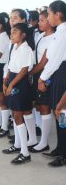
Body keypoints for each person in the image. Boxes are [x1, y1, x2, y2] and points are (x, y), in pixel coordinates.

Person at [38, 0, 66, 167]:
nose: (48, 18)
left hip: (62, 72)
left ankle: (64, 154)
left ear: (58, 14)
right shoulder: (60, 31)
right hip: (58, 73)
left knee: (62, 112)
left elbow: (54, 59)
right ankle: (60, 148)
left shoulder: (63, 32)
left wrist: (42, 78)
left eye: (49, 14)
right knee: (59, 111)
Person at [2, 23, 34, 165]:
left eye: (15, 32)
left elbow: (23, 71)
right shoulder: (15, 47)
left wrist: (12, 85)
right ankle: (18, 144)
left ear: (23, 35)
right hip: (13, 79)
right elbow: (11, 66)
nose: (12, 34)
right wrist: (6, 81)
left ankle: (25, 153)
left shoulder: (26, 49)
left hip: (19, 82)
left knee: (18, 114)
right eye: (11, 32)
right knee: (16, 113)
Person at [29, 10, 54, 153]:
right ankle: (40, 136)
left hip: (46, 74)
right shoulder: (40, 36)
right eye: (39, 20)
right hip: (37, 72)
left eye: (42, 20)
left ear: (50, 21)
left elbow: (44, 62)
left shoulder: (53, 39)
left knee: (45, 107)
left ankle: (44, 142)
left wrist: (28, 72)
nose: (39, 23)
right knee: (38, 105)